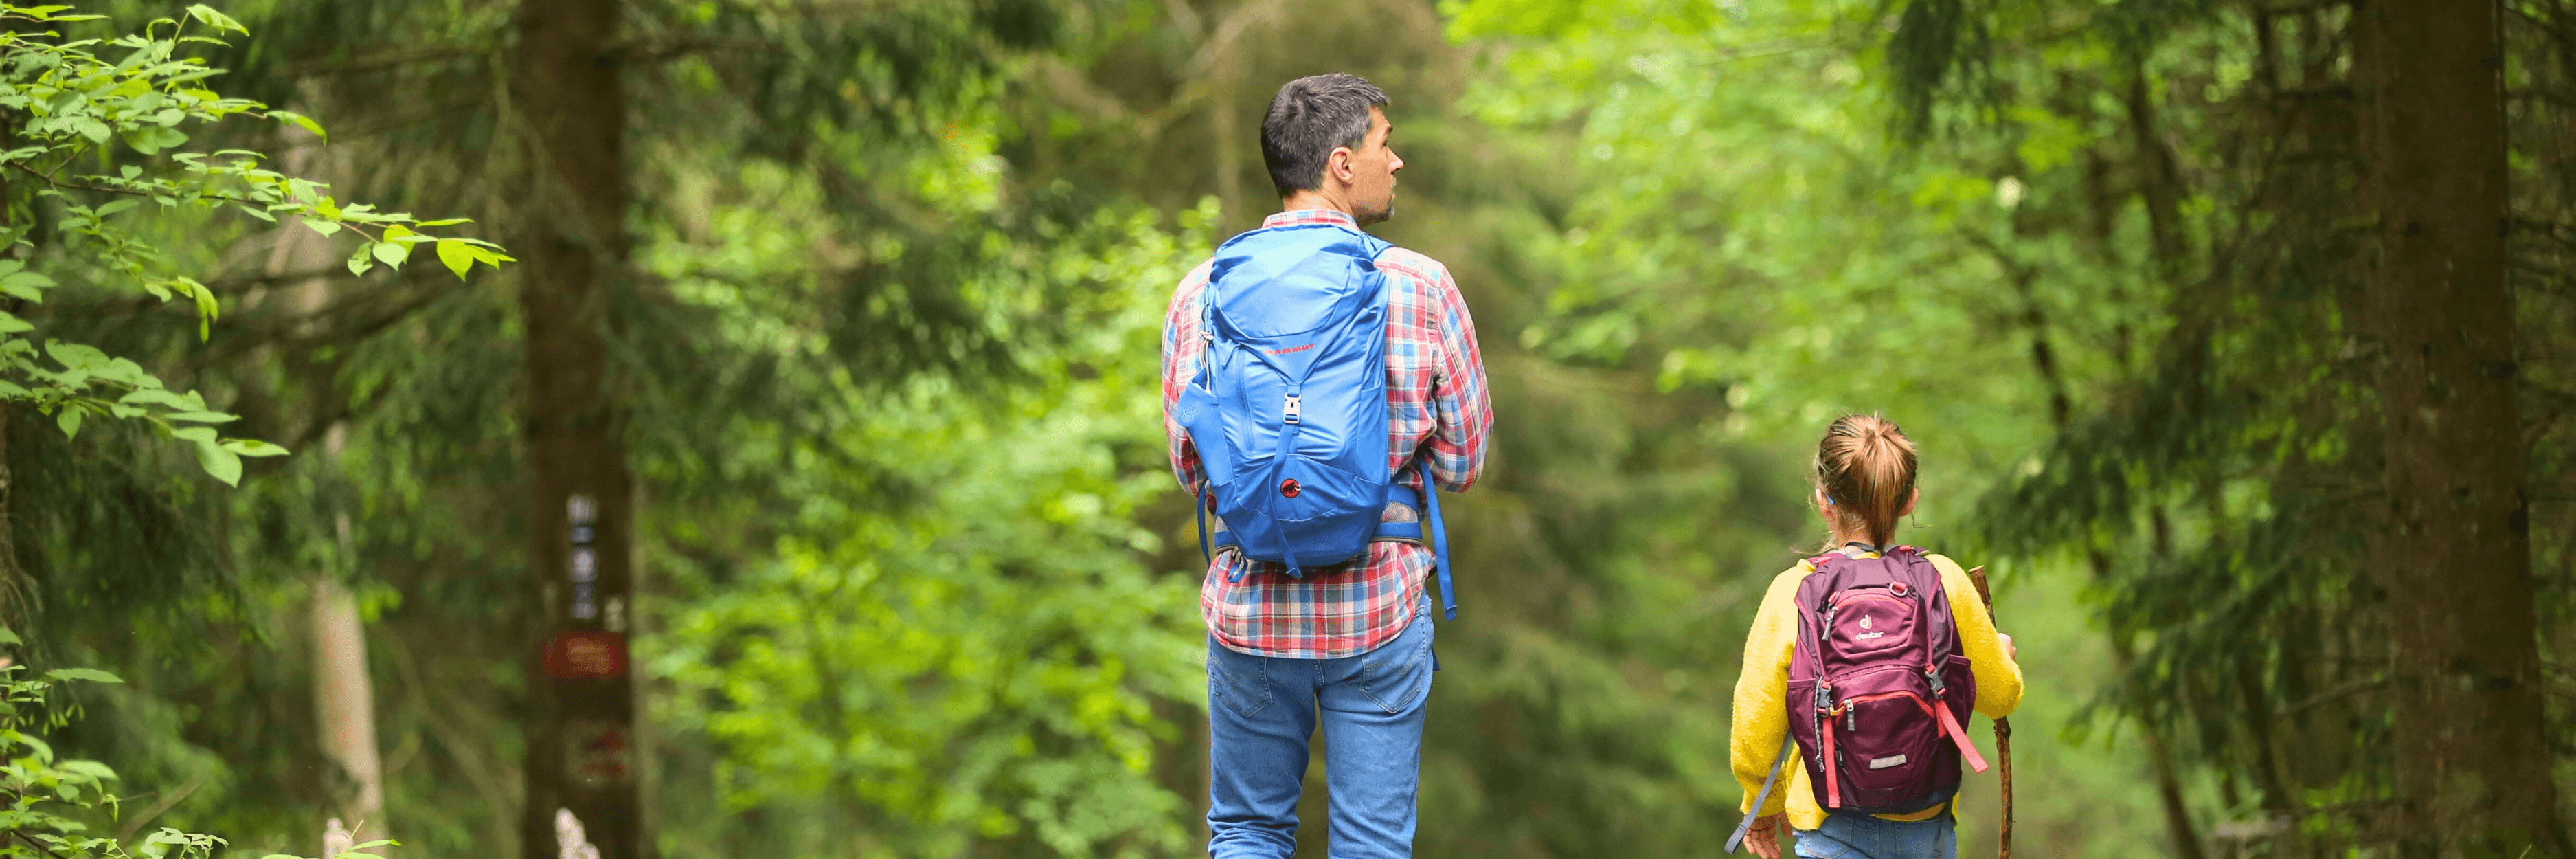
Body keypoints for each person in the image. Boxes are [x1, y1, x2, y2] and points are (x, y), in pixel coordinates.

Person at [1160, 72, 1491, 859]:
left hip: (1250, 609)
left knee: (1247, 830)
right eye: (1384, 142)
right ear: (1341, 163)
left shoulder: (1202, 291)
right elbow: (1465, 461)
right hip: (1377, 601)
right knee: (1371, 843)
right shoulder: (1418, 283)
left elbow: (1188, 462)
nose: (1397, 160)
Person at [1731, 415, 2022, 859]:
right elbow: (1999, 697)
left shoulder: (1794, 592)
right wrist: (2003, 659)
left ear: (1823, 500)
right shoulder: (1944, 581)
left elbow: (1756, 723)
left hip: (1832, 827)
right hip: (1929, 824)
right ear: (1910, 501)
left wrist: (1762, 806)